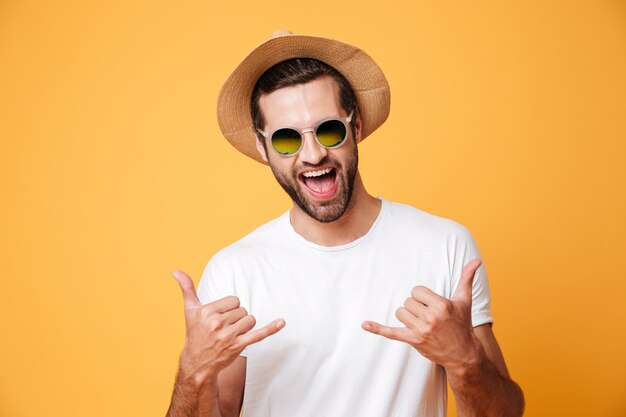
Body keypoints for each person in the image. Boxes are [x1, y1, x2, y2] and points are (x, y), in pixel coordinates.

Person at [166, 31, 525, 417]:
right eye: (287, 139)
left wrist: (464, 361)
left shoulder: (446, 246)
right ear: (262, 147)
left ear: (355, 128)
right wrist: (193, 371)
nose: (313, 153)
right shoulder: (235, 271)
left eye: (329, 130)